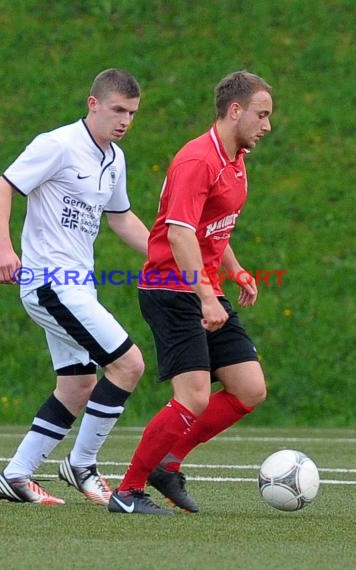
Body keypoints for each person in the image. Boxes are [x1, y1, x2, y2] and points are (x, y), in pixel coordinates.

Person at [108, 70, 273, 515]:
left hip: (202, 285)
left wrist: (235, 270)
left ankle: (169, 463)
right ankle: (128, 491)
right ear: (234, 110)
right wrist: (204, 297)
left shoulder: (234, 160)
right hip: (170, 287)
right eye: (262, 114)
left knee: (249, 388)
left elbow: (213, 228)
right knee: (195, 395)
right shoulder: (197, 160)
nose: (267, 125)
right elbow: (180, 237)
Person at [0, 68, 149, 505]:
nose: (125, 120)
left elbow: (121, 219)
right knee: (129, 365)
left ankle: (16, 475)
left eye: (132, 113)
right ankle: (81, 464)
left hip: (78, 286)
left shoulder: (114, 159)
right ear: (93, 104)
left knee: (78, 386)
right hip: (51, 283)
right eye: (118, 110)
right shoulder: (56, 145)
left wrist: (165, 257)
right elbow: (0, 189)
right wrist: (4, 249)